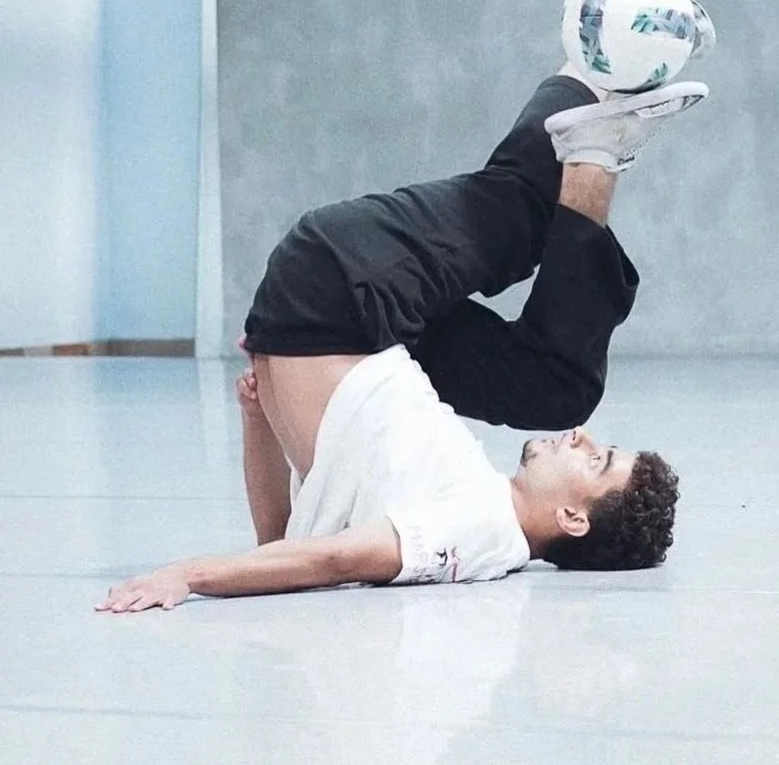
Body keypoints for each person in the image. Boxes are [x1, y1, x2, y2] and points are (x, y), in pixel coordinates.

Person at [97, 55, 710, 613]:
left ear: (574, 517)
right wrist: (261, 416)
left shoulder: (479, 534)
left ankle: (593, 82)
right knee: (558, 390)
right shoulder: (478, 506)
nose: (582, 441)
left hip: (336, 290)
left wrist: (187, 576)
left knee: (517, 217)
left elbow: (328, 561)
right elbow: (281, 542)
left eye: (598, 460)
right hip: (354, 318)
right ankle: (593, 113)